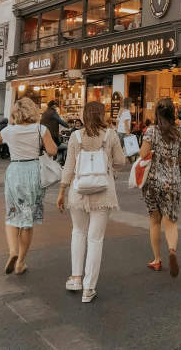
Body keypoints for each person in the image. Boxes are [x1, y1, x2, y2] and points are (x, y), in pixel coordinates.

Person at [57, 100, 125, 303]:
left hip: (78, 191)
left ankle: (76, 277)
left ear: (84, 115)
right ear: (102, 115)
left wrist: (62, 190)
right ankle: (89, 288)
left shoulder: (76, 136)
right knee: (95, 239)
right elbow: (120, 161)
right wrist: (109, 166)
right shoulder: (110, 135)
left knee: (78, 232)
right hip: (103, 192)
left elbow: (68, 166)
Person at [0, 97, 57, 276]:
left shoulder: (9, 130)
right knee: (27, 222)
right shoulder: (40, 129)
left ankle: (12, 250)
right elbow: (52, 151)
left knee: (12, 214)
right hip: (34, 171)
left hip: (15, 171)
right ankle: (20, 262)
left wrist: (10, 137)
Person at [139, 98, 181, 277]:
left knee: (154, 220)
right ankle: (172, 250)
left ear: (157, 113)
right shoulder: (178, 134)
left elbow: (143, 154)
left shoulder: (151, 131)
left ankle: (157, 260)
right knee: (171, 222)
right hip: (172, 182)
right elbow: (180, 159)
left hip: (153, 182)